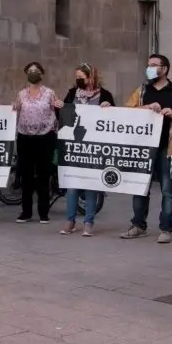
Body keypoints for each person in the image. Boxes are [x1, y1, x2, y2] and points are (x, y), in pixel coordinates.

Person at [121, 54, 172, 244]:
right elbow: (127, 110)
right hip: (144, 148)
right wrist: (147, 107)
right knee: (140, 188)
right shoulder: (142, 90)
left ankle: (166, 228)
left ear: (164, 69)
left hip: (167, 147)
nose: (150, 68)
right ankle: (138, 225)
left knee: (168, 189)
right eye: (149, 65)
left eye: (154, 65)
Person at [60, 63, 115, 237]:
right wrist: (59, 106)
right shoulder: (72, 93)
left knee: (91, 185)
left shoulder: (105, 95)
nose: (78, 80)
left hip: (94, 146)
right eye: (76, 77)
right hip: (74, 146)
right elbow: (64, 116)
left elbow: (115, 119)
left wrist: (109, 107)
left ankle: (89, 222)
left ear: (91, 77)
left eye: (81, 77)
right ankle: (70, 220)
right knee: (72, 185)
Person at [11, 62, 62, 224]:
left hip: (45, 137)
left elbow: (57, 109)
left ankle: (43, 212)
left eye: (36, 70)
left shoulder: (49, 93)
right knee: (25, 174)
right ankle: (26, 212)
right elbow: (16, 109)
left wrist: (59, 105)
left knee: (43, 174)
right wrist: (12, 107)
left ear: (42, 73)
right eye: (30, 71)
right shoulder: (21, 94)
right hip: (25, 138)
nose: (34, 73)